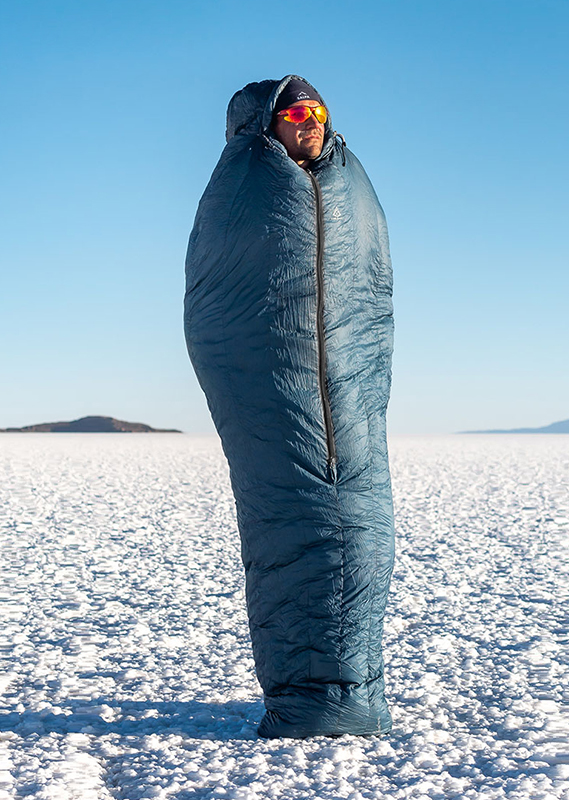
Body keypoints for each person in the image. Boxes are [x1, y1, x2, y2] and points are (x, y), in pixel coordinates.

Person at [185, 75, 395, 738]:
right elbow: (219, 303)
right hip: (278, 392)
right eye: (295, 112)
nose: (311, 122)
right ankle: (312, 701)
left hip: (352, 392)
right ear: (263, 126)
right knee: (298, 526)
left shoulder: (350, 185)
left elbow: (373, 291)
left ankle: (350, 692)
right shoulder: (243, 191)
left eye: (319, 112)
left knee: (363, 536)